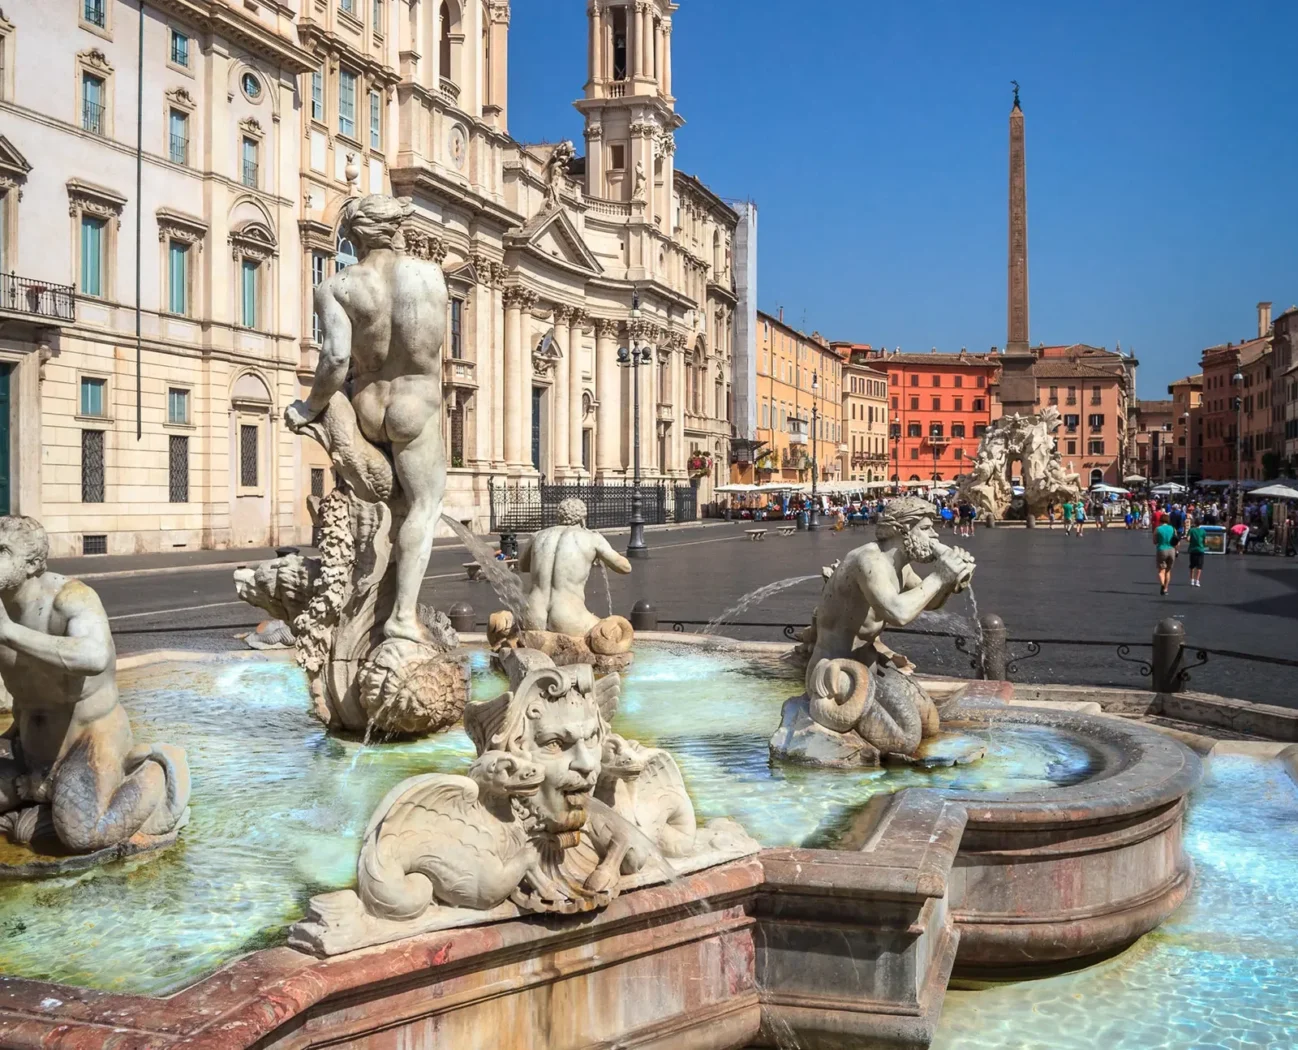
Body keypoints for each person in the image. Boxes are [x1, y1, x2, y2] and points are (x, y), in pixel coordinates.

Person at [287, 193, 448, 645]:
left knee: (371, 506)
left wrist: (309, 408)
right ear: (395, 230)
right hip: (415, 405)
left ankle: (358, 602)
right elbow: (435, 349)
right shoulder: (430, 276)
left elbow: (336, 358)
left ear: (354, 236)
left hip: (366, 405)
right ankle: (401, 615)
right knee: (422, 507)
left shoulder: (336, 286)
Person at [1154, 516, 1178, 595]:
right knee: (1168, 570)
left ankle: (1162, 585)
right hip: (1171, 550)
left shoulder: (1158, 529)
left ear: (1160, 521)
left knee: (1161, 571)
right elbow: (1176, 540)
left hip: (1161, 549)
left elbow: (1155, 541)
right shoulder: (1172, 528)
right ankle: (1166, 589)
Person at [1186, 516, 1207, 588]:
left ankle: (1192, 580)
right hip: (1200, 549)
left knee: (1192, 565)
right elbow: (1205, 541)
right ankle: (1197, 581)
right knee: (1199, 566)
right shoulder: (1203, 531)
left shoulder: (1191, 530)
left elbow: (1188, 539)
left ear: (1194, 523)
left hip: (1192, 549)